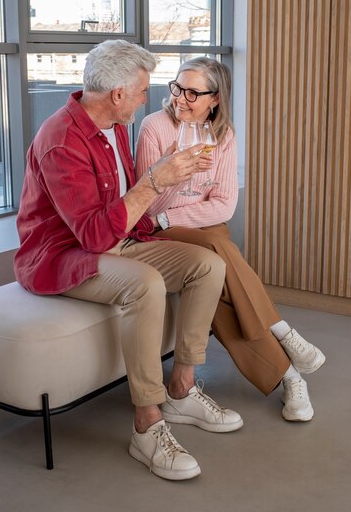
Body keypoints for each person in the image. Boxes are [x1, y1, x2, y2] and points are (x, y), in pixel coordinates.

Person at [14, 41, 243, 482]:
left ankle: (182, 388)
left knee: (208, 264)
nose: (148, 98)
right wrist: (157, 180)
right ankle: (147, 422)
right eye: (141, 90)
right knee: (145, 284)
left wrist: (168, 188)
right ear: (118, 94)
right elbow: (96, 235)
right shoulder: (61, 141)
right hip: (64, 257)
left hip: (120, 240)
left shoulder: (116, 125)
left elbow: (123, 214)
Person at [135, 56, 326, 422]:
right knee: (222, 251)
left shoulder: (223, 134)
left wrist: (173, 209)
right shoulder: (155, 127)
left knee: (223, 289)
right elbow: (146, 204)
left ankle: (288, 375)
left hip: (205, 227)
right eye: (177, 87)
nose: (181, 98)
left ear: (215, 98)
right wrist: (173, 175)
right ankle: (283, 335)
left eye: (193, 92)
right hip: (159, 228)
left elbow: (223, 206)